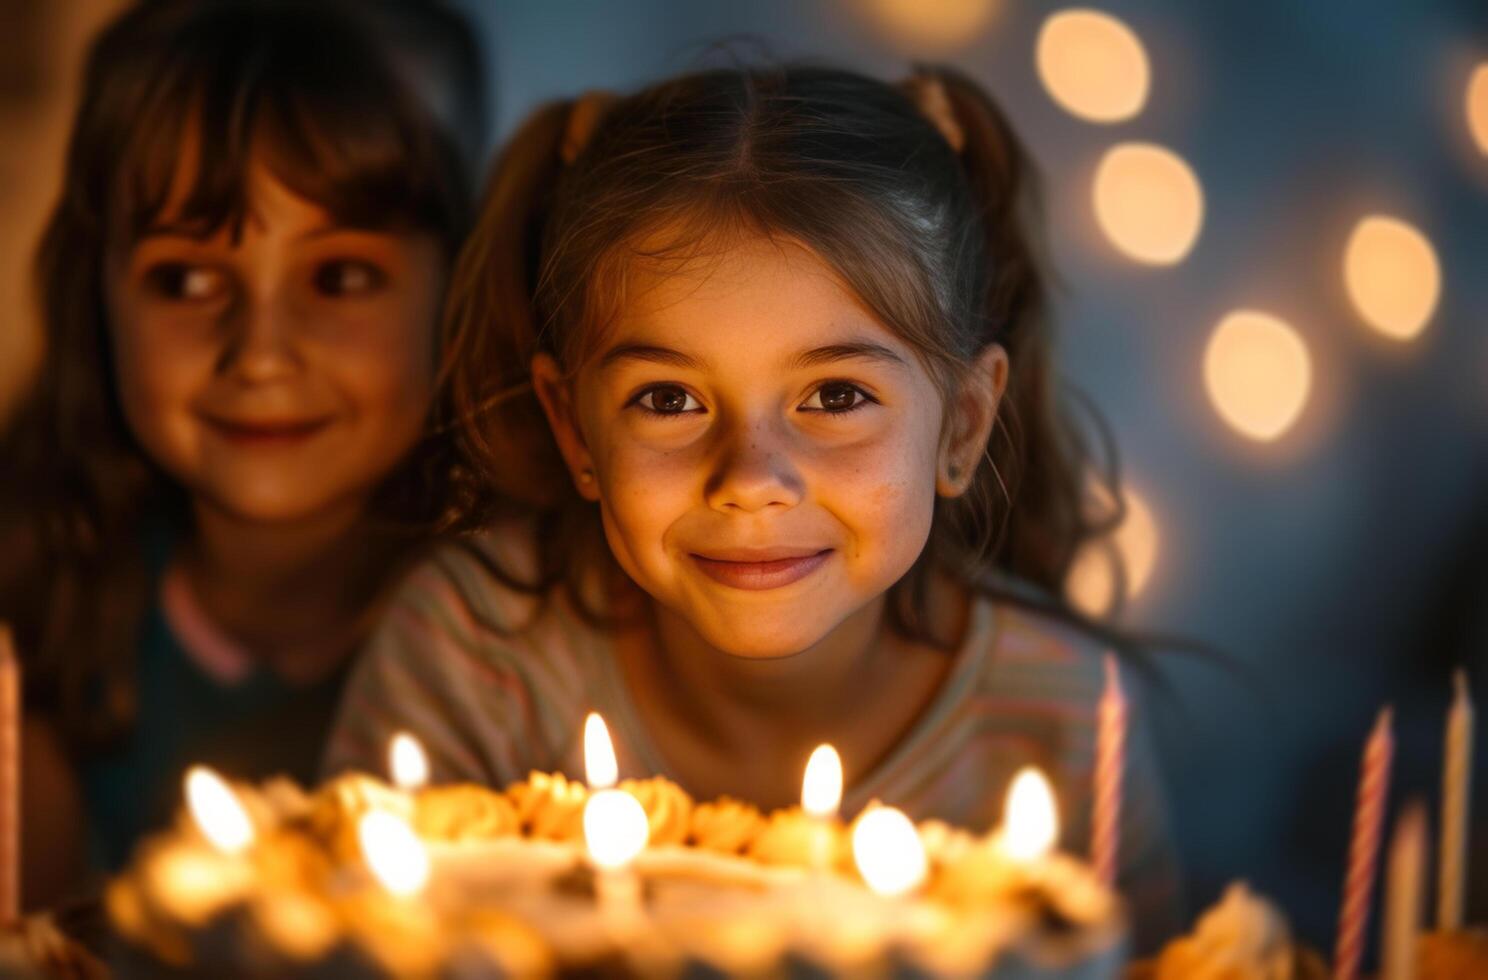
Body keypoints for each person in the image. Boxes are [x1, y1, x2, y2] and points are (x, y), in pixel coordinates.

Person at [325, 63, 1183, 949]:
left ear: (961, 425)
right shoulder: (473, 656)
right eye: (668, 400)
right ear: (574, 430)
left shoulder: (1068, 720)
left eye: (836, 396)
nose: (749, 478)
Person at [0, 0, 484, 905]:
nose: (260, 353)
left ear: (454, 290)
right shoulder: (37, 618)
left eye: (340, 276)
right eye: (185, 279)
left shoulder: (527, 640)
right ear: (93, 298)